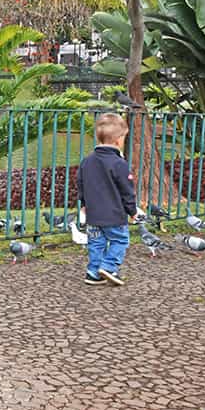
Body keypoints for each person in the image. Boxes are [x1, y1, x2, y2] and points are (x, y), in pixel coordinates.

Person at [76, 113, 138, 286]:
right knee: (120, 240)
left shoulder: (86, 162)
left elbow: (81, 184)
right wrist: (132, 211)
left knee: (96, 243)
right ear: (119, 140)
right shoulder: (119, 163)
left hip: (93, 215)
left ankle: (93, 273)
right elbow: (127, 191)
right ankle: (109, 267)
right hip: (114, 214)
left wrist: (84, 204)